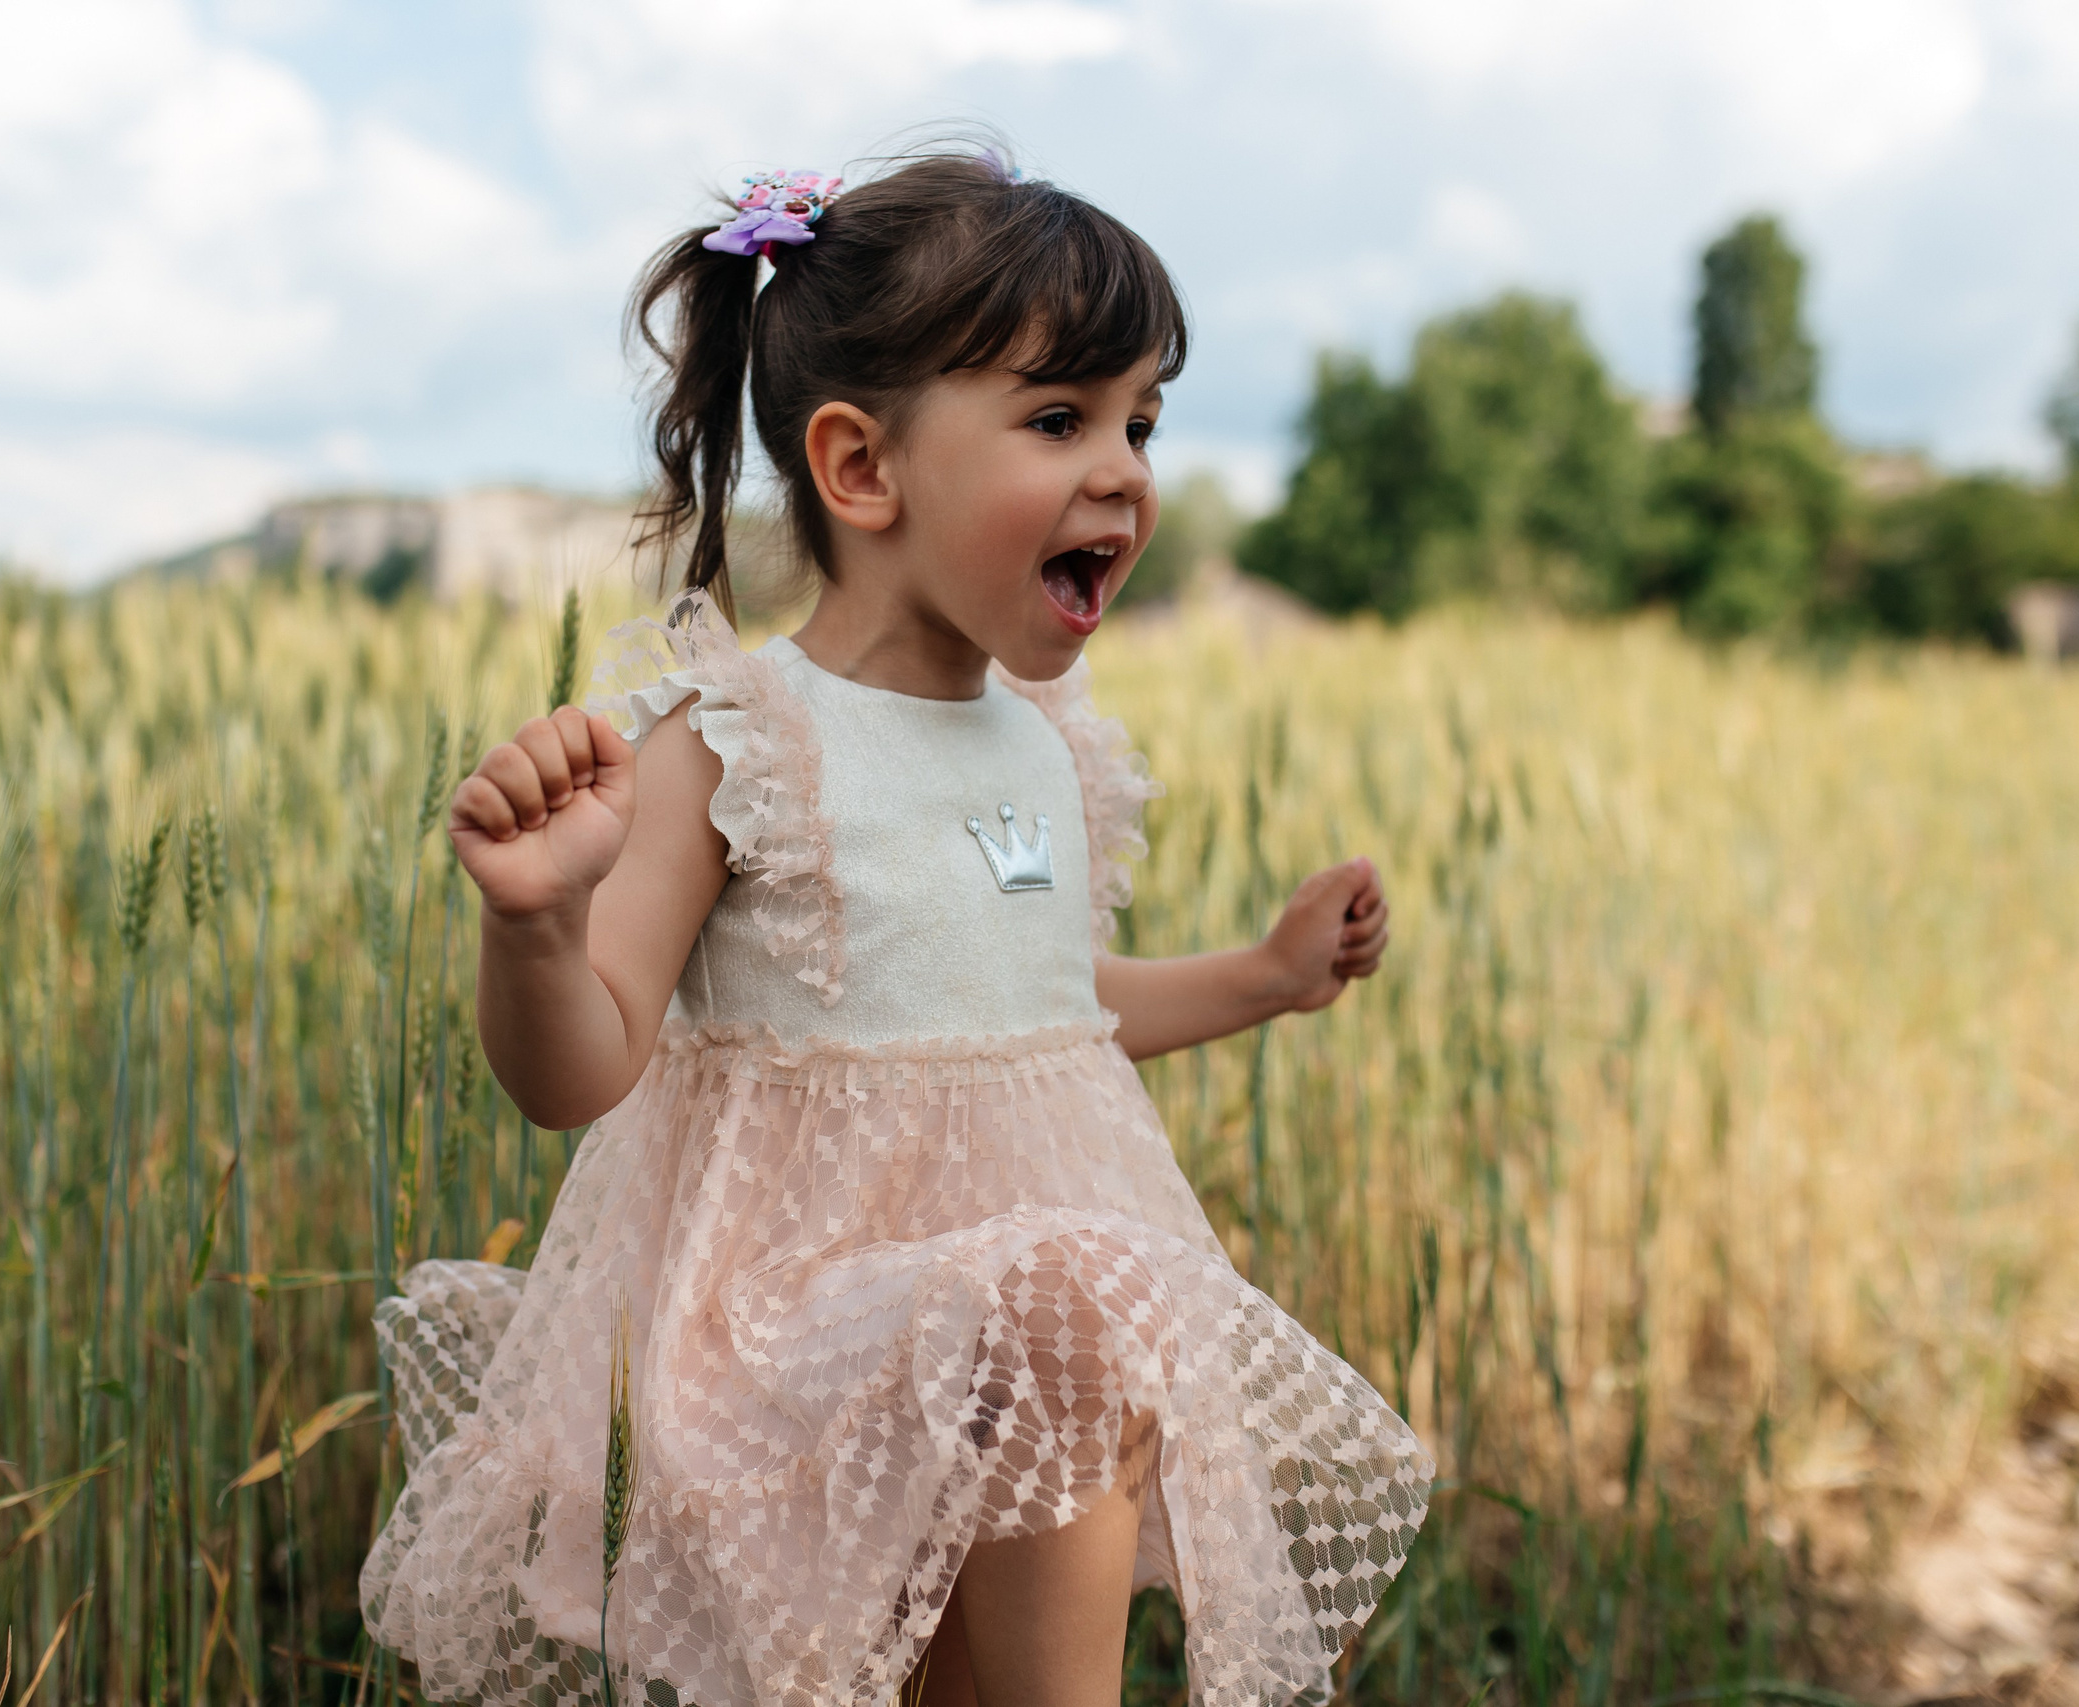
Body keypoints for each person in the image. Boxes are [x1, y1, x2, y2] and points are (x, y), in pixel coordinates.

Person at [361, 145, 1432, 1707]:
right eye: (1060, 420)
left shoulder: (1052, 745)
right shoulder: (736, 739)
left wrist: (1264, 976)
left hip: (1016, 1363)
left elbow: (1045, 1015)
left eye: (1143, 420)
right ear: (862, 469)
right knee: (1072, 1305)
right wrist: (537, 927)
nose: (1127, 469)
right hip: (806, 1343)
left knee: (1025, 1440)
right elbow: (581, 1068)